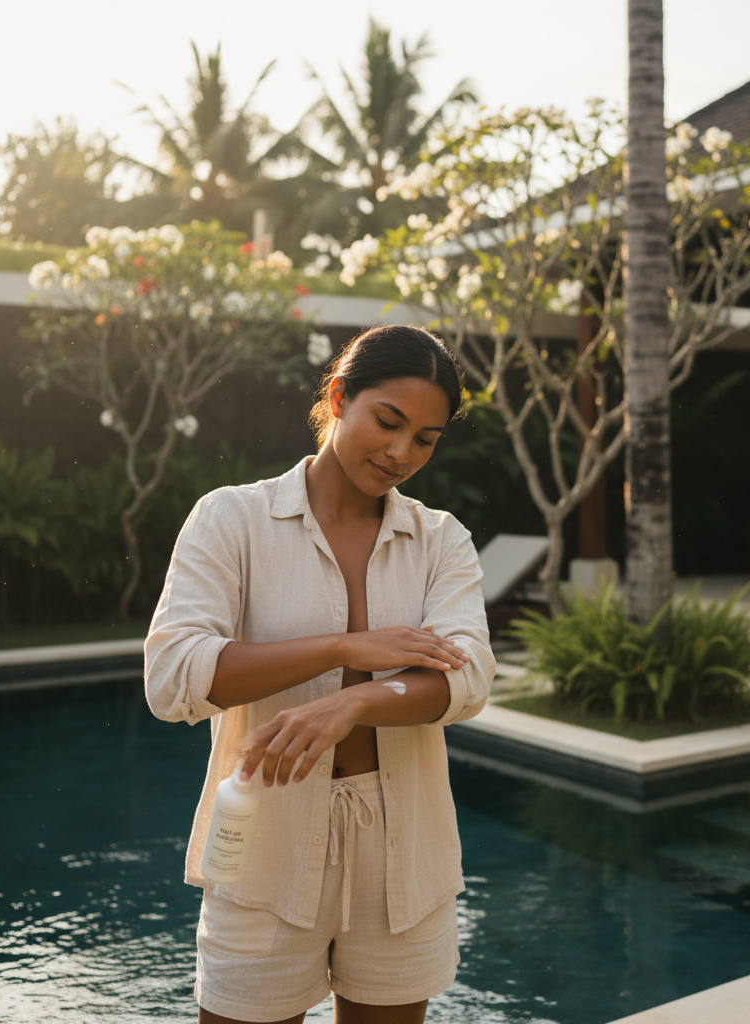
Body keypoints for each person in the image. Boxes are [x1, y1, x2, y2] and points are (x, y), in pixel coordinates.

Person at [144, 324, 495, 1024]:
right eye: (387, 422)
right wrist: (342, 648)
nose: (401, 453)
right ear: (340, 398)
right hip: (264, 841)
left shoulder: (440, 541)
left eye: (424, 439)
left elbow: (467, 678)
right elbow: (173, 675)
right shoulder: (232, 520)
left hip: (403, 851)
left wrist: (354, 703)